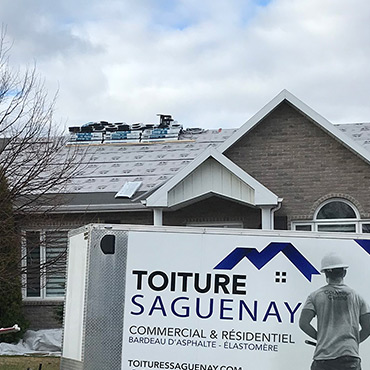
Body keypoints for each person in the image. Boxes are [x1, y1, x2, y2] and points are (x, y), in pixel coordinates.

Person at [299, 253, 370, 370]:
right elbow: (368, 327)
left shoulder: (315, 296)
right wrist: (353, 341)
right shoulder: (357, 296)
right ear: (344, 272)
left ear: (326, 273)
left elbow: (303, 323)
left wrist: (321, 338)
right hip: (350, 357)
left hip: (323, 358)